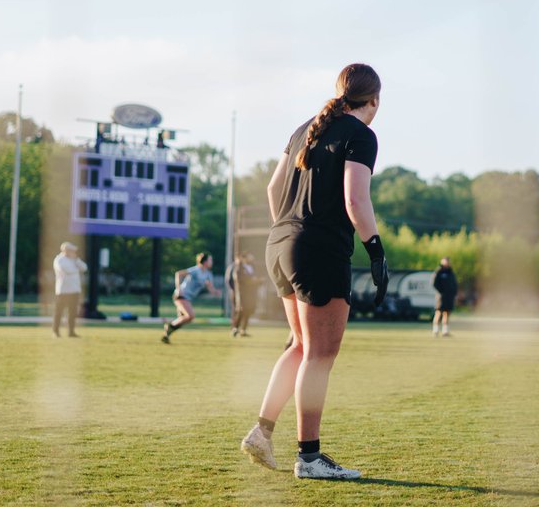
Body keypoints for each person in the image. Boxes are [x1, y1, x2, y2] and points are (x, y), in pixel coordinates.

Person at [239, 63, 389, 480]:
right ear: (374, 100)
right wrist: (375, 250)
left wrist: (289, 233)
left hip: (280, 243)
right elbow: (355, 201)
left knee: (302, 347)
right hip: (319, 249)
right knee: (320, 354)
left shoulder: (305, 127)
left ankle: (263, 432)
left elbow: (273, 189)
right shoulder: (361, 134)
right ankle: (309, 457)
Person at [162, 252, 220, 343]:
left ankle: (168, 332)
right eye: (210, 260)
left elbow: (210, 287)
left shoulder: (208, 274)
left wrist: (215, 292)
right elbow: (178, 274)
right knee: (190, 316)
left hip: (188, 298)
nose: (212, 262)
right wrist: (178, 289)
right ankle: (169, 328)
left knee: (184, 320)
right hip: (181, 295)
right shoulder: (196, 270)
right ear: (205, 262)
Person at [53, 242, 88, 338]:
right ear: (65, 250)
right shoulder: (59, 260)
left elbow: (84, 268)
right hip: (63, 291)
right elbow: (67, 270)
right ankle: (56, 331)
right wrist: (76, 268)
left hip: (74, 290)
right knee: (59, 312)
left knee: (72, 312)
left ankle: (71, 332)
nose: (73, 252)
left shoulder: (75, 260)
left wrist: (76, 260)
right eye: (71, 250)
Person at [230, 252, 259, 337]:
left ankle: (243, 330)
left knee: (249, 310)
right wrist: (251, 281)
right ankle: (235, 328)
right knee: (241, 310)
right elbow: (239, 279)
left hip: (251, 293)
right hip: (242, 293)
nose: (251, 259)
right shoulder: (239, 268)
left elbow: (256, 278)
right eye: (249, 257)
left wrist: (257, 281)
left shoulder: (253, 267)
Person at [432, 257, 458, 337]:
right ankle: (435, 330)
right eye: (445, 262)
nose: (447, 263)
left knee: (447, 313)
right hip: (441, 297)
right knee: (438, 312)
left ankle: (445, 331)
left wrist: (454, 293)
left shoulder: (451, 272)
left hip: (449, 297)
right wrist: (441, 292)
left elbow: (454, 284)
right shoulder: (439, 272)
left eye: (448, 262)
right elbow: (435, 284)